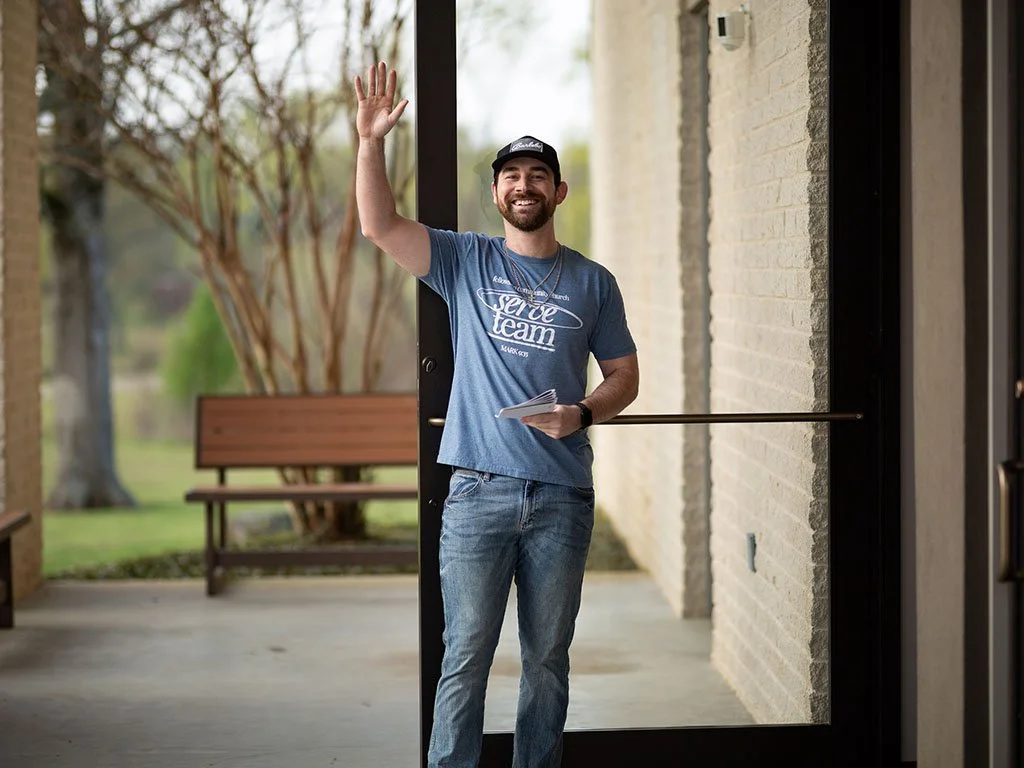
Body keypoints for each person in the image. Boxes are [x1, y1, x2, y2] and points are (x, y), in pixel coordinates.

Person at [354, 62, 640, 768]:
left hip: (562, 498)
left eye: (537, 174)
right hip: (478, 493)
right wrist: (370, 144)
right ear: (495, 192)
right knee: (466, 658)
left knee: (546, 661)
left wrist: (583, 412)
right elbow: (378, 224)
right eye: (511, 174)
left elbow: (625, 377)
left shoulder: (592, 281)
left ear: (557, 191)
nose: (523, 184)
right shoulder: (464, 260)